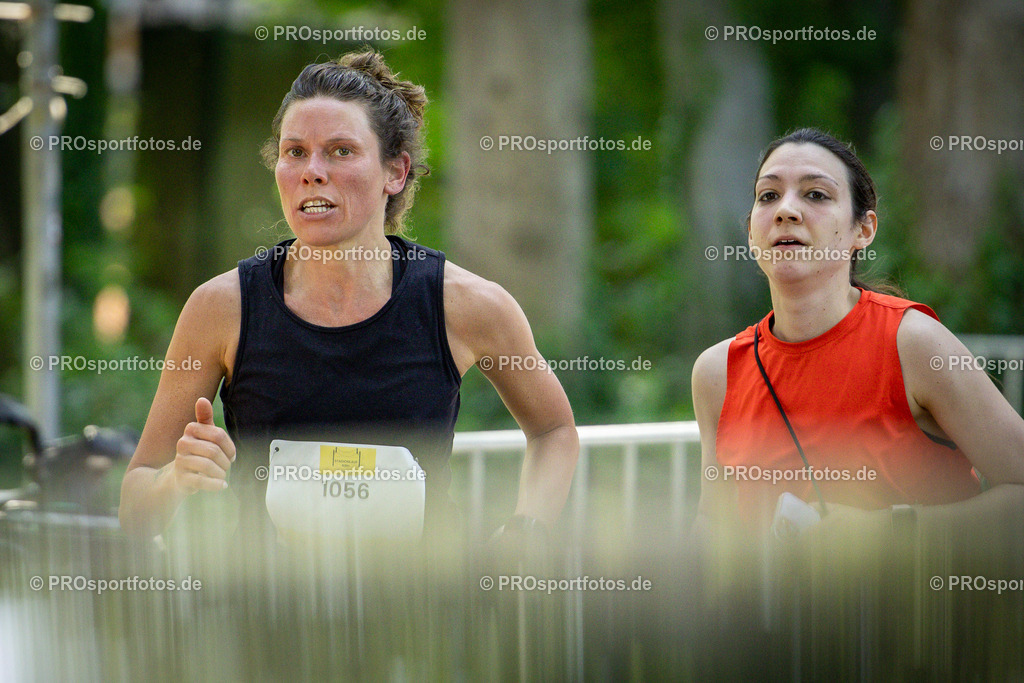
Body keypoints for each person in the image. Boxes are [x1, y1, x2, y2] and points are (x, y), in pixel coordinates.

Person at [119, 51, 579, 547]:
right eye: (295, 151)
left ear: (395, 172)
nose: (312, 171)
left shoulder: (465, 304)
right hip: (264, 612)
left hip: (418, 613)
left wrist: (525, 531)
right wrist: (174, 480)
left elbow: (554, 432)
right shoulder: (222, 307)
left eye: (341, 150)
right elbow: (134, 504)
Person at [691, 128, 1024, 570]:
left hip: (919, 630)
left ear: (862, 230)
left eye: (815, 194)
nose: (786, 210)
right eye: (768, 196)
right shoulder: (717, 372)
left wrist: (893, 531)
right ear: (751, 233)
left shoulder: (914, 343)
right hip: (774, 636)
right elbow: (713, 529)